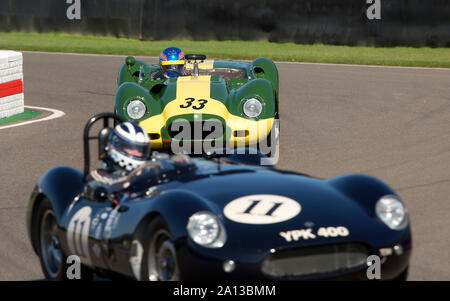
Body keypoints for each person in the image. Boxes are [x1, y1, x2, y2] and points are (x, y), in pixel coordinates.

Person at [88, 122, 151, 187]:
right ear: (117, 146)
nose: (137, 153)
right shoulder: (98, 178)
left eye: (140, 149)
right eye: (131, 148)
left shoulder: (149, 173)